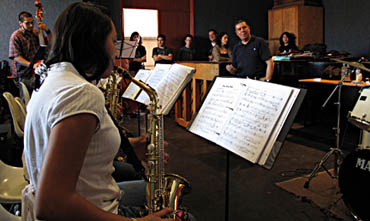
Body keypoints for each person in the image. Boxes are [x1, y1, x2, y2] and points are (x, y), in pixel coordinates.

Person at [23, 2, 174, 220]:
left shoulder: (52, 80)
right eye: (113, 41)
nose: (115, 50)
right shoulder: (80, 93)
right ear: (93, 43)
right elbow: (51, 204)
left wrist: (125, 147)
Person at [9, 11, 51, 91]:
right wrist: (32, 65)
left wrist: (47, 30)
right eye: (27, 23)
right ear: (20, 23)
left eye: (32, 22)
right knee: (34, 89)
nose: (31, 25)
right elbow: (17, 57)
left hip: (35, 71)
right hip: (24, 73)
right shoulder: (16, 36)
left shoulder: (35, 33)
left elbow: (50, 43)